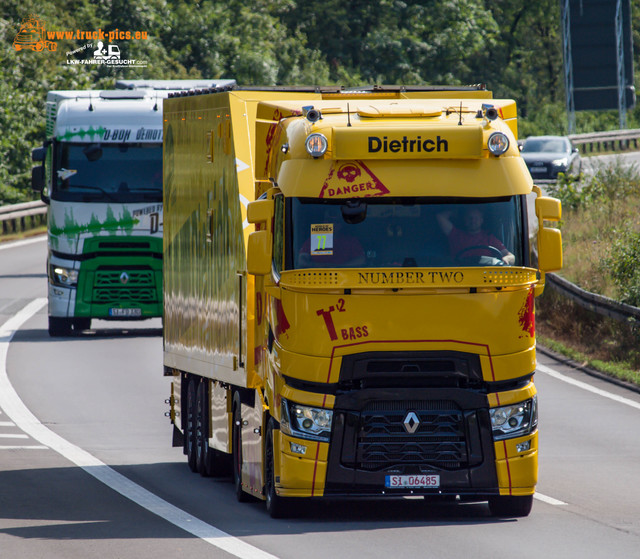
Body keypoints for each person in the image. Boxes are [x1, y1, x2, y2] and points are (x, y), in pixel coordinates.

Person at [436, 207, 515, 265]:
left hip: (485, 279)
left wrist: (506, 259)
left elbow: (511, 256)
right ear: (465, 220)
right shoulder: (455, 234)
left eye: (476, 218)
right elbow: (440, 217)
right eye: (470, 218)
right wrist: (456, 211)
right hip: (460, 277)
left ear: (481, 220)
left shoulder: (489, 238)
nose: (473, 221)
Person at [297, 219, 365, 268]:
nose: (332, 225)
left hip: (346, 279)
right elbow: (301, 261)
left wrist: (339, 267)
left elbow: (361, 260)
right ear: (324, 223)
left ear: (341, 225)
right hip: (316, 279)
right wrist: (317, 265)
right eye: (329, 221)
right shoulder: (313, 240)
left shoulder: (351, 241)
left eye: (336, 222)